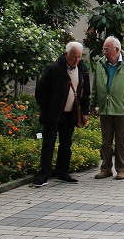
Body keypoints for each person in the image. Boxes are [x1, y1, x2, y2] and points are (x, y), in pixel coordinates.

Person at [32, 41, 90, 187]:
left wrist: (85, 112)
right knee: (48, 144)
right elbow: (40, 91)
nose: (76, 60)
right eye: (73, 57)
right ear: (66, 54)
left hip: (70, 114)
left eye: (78, 57)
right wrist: (47, 109)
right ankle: (44, 173)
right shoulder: (54, 69)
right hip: (53, 114)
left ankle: (62, 171)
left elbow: (85, 94)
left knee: (66, 144)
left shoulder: (82, 70)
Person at [89, 36, 124, 181]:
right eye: (104, 50)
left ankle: (121, 169)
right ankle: (106, 168)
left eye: (107, 50)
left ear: (117, 50)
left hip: (122, 109)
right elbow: (95, 87)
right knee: (106, 142)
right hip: (105, 109)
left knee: (121, 141)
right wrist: (93, 104)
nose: (104, 52)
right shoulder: (100, 63)